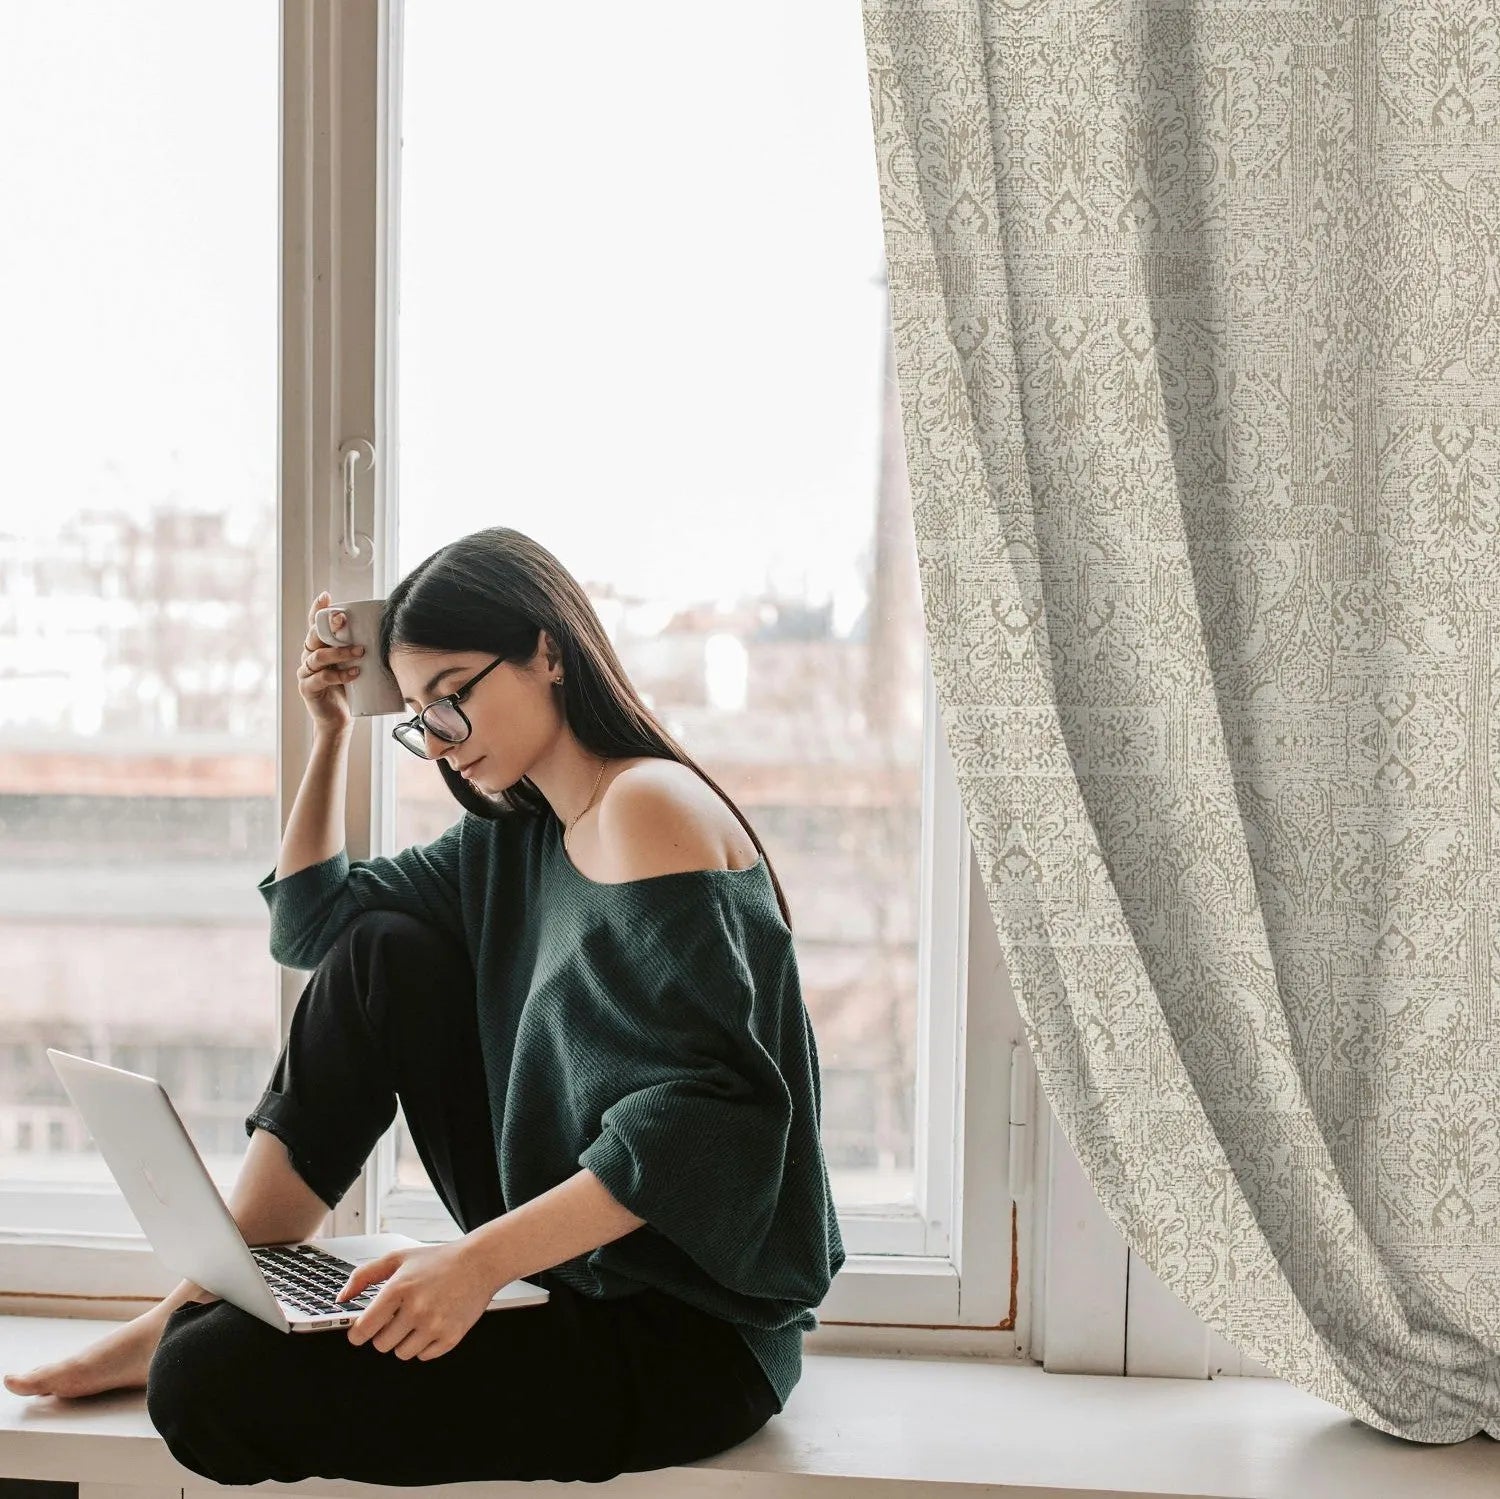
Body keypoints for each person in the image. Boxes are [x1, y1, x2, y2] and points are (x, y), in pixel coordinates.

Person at [3, 526, 846, 1486]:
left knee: (208, 1381)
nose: (442, 738)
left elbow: (712, 1122)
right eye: (418, 717)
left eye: (454, 695)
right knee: (383, 949)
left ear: (549, 650)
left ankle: (184, 1330)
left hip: (683, 1331)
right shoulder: (516, 835)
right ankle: (192, 1299)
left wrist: (476, 1263)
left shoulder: (648, 808)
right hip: (565, 1267)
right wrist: (328, 734)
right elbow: (317, 930)